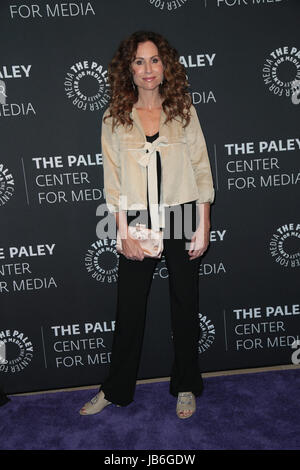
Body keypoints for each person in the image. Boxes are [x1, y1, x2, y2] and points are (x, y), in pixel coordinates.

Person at [79, 31, 215, 419]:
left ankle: (186, 383)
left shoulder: (183, 109)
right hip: (137, 217)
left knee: (185, 306)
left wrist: (203, 224)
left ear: (165, 65)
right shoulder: (114, 116)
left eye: (154, 60)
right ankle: (115, 388)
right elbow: (114, 179)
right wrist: (122, 232)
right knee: (129, 310)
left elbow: (201, 168)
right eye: (139, 61)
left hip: (182, 211)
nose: (148, 69)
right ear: (129, 70)